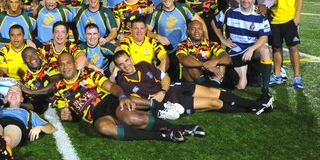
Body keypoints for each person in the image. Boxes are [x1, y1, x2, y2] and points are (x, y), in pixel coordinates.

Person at [53, 53, 189, 143]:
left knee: (131, 118)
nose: (65, 67)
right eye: (62, 64)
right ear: (58, 68)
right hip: (95, 115)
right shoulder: (59, 89)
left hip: (108, 102)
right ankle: (162, 136)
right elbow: (69, 114)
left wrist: (122, 96)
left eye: (68, 63)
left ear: (75, 64)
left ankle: (176, 127)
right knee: (104, 128)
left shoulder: (88, 74)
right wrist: (67, 116)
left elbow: (111, 87)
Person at [112, 51, 271, 117]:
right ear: (118, 67)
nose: (126, 65)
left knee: (213, 92)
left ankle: (256, 105)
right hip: (172, 102)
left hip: (174, 87)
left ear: (131, 58)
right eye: (121, 64)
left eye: (126, 60)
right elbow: (135, 104)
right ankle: (254, 108)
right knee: (214, 103)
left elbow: (165, 78)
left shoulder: (143, 65)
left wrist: (162, 91)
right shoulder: (123, 83)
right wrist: (157, 104)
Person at [212, 0, 273, 105]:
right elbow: (214, 22)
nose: (246, 1)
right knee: (241, 86)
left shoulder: (260, 13)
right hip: (236, 49)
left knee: (265, 50)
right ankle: (236, 76)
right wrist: (223, 40)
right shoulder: (230, 10)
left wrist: (252, 49)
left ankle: (265, 91)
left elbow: (263, 37)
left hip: (252, 47)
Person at [148, 0, 205, 81]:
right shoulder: (156, 13)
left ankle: (204, 86)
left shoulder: (183, 8)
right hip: (167, 49)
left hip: (183, 48)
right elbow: (146, 31)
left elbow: (200, 22)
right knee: (169, 75)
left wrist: (205, 40)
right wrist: (157, 36)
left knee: (190, 70)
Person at [270, 0, 305, 88]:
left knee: (293, 48)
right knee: (276, 48)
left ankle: (297, 77)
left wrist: (296, 18)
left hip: (289, 19)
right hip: (273, 20)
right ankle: (277, 75)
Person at [177, 21, 231, 86]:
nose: (197, 31)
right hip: (190, 77)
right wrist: (205, 65)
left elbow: (228, 59)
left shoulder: (211, 43)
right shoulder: (182, 45)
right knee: (190, 63)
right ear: (188, 31)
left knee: (220, 60)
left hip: (207, 74)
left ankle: (215, 85)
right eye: (193, 29)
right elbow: (184, 60)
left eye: (199, 29)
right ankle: (206, 87)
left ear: (203, 31)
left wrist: (216, 61)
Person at [19, 46, 60, 113]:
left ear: (38, 54)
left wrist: (30, 91)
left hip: (58, 98)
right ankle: (18, 105)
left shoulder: (50, 65)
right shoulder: (24, 76)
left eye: (33, 54)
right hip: (40, 103)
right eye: (27, 57)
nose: (31, 58)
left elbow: (53, 86)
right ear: (24, 61)